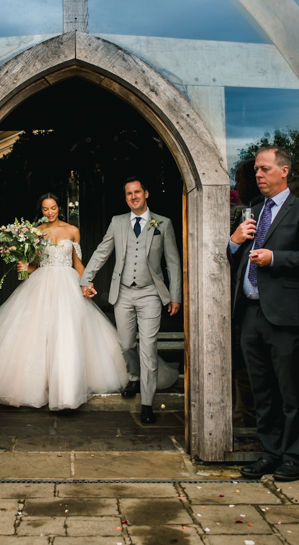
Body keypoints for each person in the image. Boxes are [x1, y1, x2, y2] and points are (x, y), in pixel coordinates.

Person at [0, 193, 171, 411]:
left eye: (53, 208)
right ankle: (40, 384)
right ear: (41, 210)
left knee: (68, 332)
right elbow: (34, 265)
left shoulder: (72, 230)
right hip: (41, 284)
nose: (50, 212)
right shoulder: (35, 232)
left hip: (67, 283)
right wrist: (25, 266)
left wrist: (87, 282)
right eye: (45, 209)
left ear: (59, 208)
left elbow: (77, 263)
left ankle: (67, 388)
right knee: (37, 332)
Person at [230, 146, 299, 482]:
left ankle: (293, 457)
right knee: (262, 391)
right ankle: (269, 453)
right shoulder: (253, 210)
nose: (258, 174)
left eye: (265, 169)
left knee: (291, 391)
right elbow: (235, 258)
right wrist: (234, 242)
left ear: (284, 171)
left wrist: (276, 258)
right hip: (250, 312)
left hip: (285, 315)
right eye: (256, 169)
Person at [80, 180, 183, 424]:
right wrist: (86, 278)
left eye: (137, 192)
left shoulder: (163, 223)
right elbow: (102, 251)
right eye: (129, 193)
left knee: (148, 347)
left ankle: (147, 404)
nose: (133, 196)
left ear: (146, 194)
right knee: (126, 344)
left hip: (151, 294)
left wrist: (175, 296)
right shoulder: (117, 222)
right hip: (123, 293)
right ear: (126, 198)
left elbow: (173, 262)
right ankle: (134, 377)